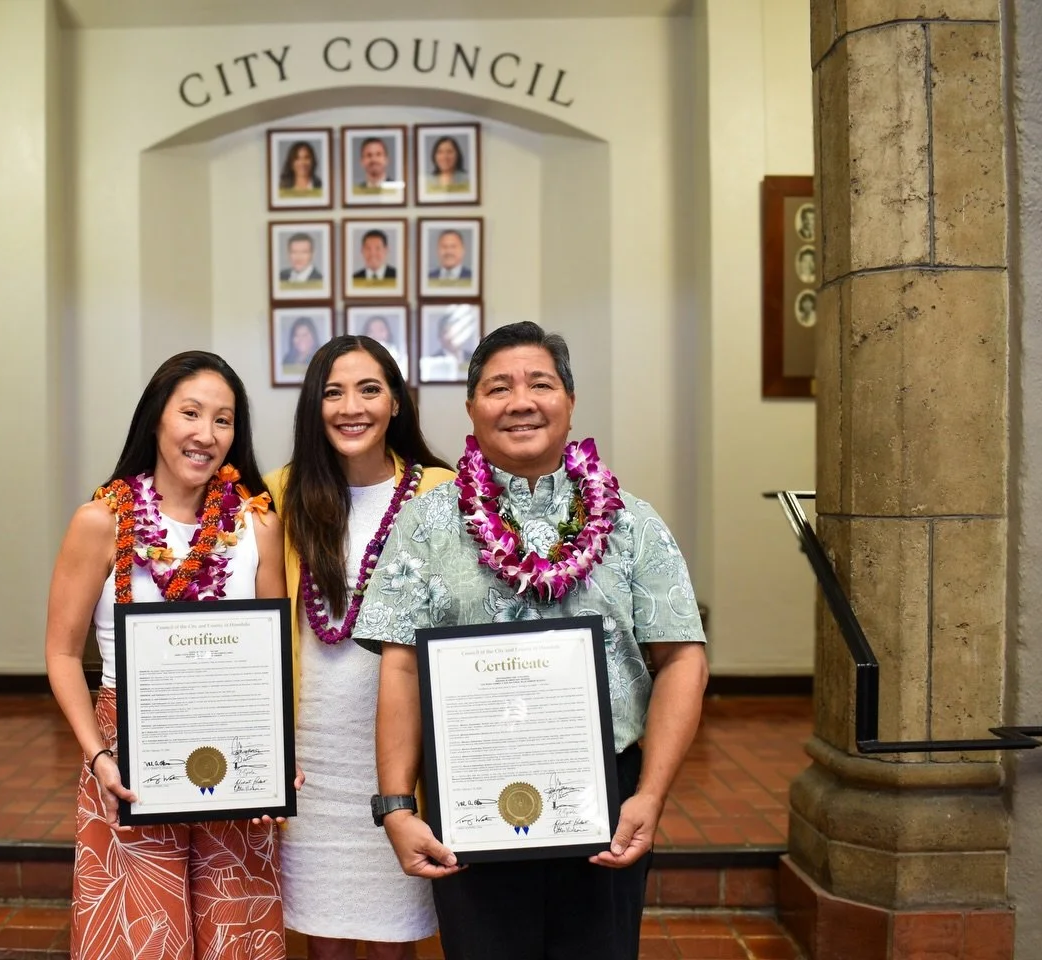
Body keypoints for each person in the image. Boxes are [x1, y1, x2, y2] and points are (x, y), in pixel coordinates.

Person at [360, 322, 709, 960]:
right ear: (472, 408)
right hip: (470, 791)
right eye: (499, 388)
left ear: (570, 402)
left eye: (540, 384)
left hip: (607, 801)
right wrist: (397, 806)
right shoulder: (425, 525)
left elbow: (683, 658)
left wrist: (650, 795)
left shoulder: (632, 522)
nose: (520, 402)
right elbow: (401, 667)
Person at [45, 351, 293, 960]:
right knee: (141, 935)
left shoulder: (258, 526)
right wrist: (99, 757)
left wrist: (274, 757)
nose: (206, 434)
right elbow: (61, 653)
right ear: (156, 418)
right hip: (128, 756)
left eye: (224, 420)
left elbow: (272, 654)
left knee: (237, 934)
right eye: (191, 413)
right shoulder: (100, 521)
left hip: (233, 749)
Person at [266, 336, 454, 960]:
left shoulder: (443, 494)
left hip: (401, 757)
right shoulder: (280, 493)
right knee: (323, 935)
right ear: (313, 407)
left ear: (396, 402)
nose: (352, 407)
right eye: (333, 392)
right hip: (311, 752)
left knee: (394, 936)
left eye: (370, 390)